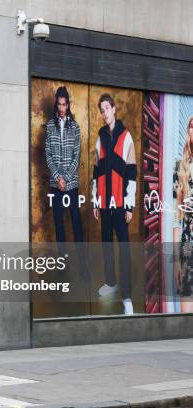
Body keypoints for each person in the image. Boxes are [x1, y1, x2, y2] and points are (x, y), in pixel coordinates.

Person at [92, 93, 137, 315]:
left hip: (120, 204)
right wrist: (95, 200)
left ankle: (127, 296)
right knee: (106, 243)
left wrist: (129, 205)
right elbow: (95, 171)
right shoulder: (99, 139)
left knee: (124, 248)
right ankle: (111, 282)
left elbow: (132, 173)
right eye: (102, 109)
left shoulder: (126, 137)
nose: (104, 112)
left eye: (107, 108)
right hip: (103, 203)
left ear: (114, 110)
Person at [44, 86, 88, 281]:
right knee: (59, 225)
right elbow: (48, 155)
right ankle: (63, 267)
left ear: (68, 105)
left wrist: (66, 178)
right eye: (59, 104)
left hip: (70, 185)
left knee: (77, 225)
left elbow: (76, 157)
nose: (61, 108)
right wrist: (57, 177)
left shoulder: (75, 127)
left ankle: (82, 265)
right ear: (57, 104)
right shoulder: (50, 126)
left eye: (64, 104)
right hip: (56, 184)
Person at [173, 116, 193, 311]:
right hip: (187, 248)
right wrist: (176, 262)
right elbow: (176, 217)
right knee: (187, 318)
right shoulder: (180, 168)